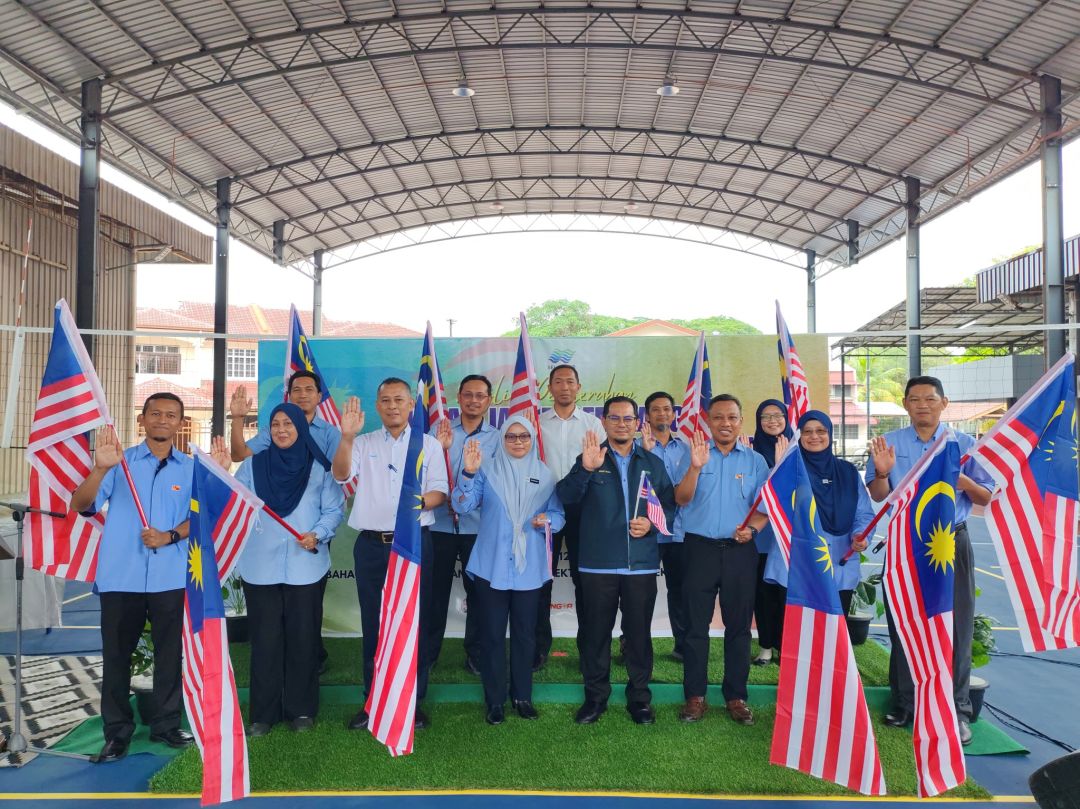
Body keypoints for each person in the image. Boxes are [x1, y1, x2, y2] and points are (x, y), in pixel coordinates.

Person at [70, 394, 226, 762]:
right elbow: (81, 504)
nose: (162, 420)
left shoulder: (190, 468)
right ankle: (117, 733)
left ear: (180, 424)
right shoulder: (118, 464)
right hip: (120, 578)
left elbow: (205, 518)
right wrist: (99, 469)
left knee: (170, 655)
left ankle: (167, 724)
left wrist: (170, 535)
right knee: (116, 658)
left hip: (170, 579)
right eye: (155, 413)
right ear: (142, 420)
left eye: (171, 415)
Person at [865, 376, 993, 745]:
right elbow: (878, 496)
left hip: (949, 542)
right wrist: (883, 473)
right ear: (906, 404)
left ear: (944, 402)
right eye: (915, 399)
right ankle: (905, 702)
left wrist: (962, 480)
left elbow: (985, 496)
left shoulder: (964, 444)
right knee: (905, 623)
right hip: (906, 541)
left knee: (956, 625)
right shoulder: (891, 444)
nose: (923, 405)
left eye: (930, 399)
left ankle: (956, 709)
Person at [332, 379, 449, 731]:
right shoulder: (363, 442)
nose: (393, 406)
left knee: (415, 623)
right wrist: (347, 437)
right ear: (377, 406)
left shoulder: (427, 443)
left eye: (399, 399)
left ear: (411, 404)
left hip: (413, 543)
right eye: (385, 400)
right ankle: (373, 701)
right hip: (370, 546)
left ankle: (412, 702)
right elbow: (341, 475)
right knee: (375, 624)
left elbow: (440, 492)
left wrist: (419, 502)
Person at [556, 396, 675, 725]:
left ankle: (639, 699)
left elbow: (669, 504)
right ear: (604, 422)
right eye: (615, 418)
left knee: (638, 635)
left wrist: (651, 524)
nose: (622, 424)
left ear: (637, 423)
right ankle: (595, 698)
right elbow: (565, 497)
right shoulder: (590, 458)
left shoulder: (652, 462)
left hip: (641, 565)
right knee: (595, 635)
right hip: (597, 565)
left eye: (628, 418)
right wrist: (585, 469)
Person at [234, 403, 344, 736]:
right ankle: (262, 715)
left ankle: (302, 711)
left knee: (303, 639)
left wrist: (319, 534)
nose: (282, 430)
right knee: (265, 641)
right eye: (276, 424)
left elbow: (334, 511)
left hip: (305, 568)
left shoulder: (319, 469)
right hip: (259, 567)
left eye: (289, 424)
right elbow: (233, 504)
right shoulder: (252, 468)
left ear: (301, 428)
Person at [453, 416, 565, 724]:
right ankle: (495, 701)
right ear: (502, 440)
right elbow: (462, 505)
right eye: (511, 437)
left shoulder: (545, 474)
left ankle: (522, 697)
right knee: (490, 635)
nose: (517, 442)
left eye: (524, 437)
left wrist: (549, 522)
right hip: (491, 566)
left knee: (525, 635)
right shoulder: (486, 470)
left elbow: (558, 514)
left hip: (528, 569)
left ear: (531, 440)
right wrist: (468, 472)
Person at [674, 394, 770, 726]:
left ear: (741, 421)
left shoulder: (756, 461)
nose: (725, 423)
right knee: (694, 627)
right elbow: (680, 499)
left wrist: (753, 531)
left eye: (731, 417)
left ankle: (736, 696)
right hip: (698, 549)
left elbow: (764, 510)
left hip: (741, 552)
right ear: (708, 422)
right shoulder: (695, 455)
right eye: (718, 418)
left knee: (739, 628)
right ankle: (695, 696)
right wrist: (695, 468)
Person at [763, 411, 873, 615]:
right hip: (796, 565)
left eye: (821, 430)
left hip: (839, 564)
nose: (814, 436)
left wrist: (861, 535)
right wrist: (778, 471)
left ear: (830, 434)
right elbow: (766, 507)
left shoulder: (848, 472)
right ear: (799, 436)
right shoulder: (789, 469)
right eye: (807, 431)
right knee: (796, 636)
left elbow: (863, 514)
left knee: (834, 635)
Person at [428, 374, 500, 676]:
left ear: (489, 400)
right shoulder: (438, 431)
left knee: (480, 596)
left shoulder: (497, 438)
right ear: (459, 398)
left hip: (478, 528)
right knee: (433, 596)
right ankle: (427, 656)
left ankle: (477, 654)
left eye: (480, 395)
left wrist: (467, 498)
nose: (473, 400)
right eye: (468, 394)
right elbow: (426, 471)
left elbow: (498, 484)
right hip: (439, 527)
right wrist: (442, 450)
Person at [534, 364, 604, 670]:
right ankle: (537, 649)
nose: (564, 386)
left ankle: (588, 651)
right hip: (543, 508)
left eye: (570, 382)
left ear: (579, 386)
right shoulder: (535, 424)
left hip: (584, 510)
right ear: (549, 388)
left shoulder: (594, 426)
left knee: (585, 582)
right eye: (558, 382)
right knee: (540, 581)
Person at [638, 391, 689, 661]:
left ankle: (682, 645)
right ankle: (633, 644)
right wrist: (645, 455)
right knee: (640, 592)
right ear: (647, 415)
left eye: (667, 409)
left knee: (680, 590)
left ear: (673, 413)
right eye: (655, 410)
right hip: (646, 532)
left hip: (678, 532)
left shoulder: (686, 448)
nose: (662, 414)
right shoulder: (638, 448)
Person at [749, 399, 792, 666]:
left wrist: (783, 464)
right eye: (765, 416)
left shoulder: (799, 449)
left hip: (787, 539)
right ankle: (765, 647)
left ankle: (785, 647)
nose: (772, 420)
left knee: (786, 596)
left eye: (778, 415)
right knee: (762, 595)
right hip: (760, 538)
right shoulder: (750, 452)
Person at [229, 370, 342, 462]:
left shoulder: (330, 434)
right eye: (297, 390)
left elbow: (336, 475)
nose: (303, 395)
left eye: (309, 390)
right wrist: (238, 418)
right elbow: (238, 456)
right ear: (289, 396)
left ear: (319, 397)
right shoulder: (274, 430)